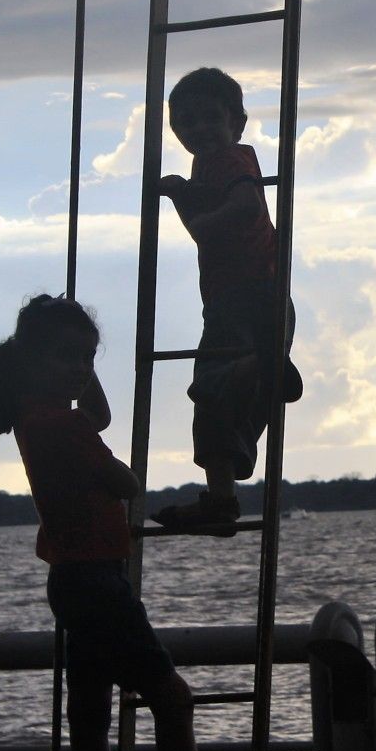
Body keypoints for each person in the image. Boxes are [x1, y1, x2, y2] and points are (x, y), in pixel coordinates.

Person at [0, 294, 238, 751]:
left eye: (86, 358)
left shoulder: (31, 413)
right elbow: (126, 480)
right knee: (171, 699)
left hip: (72, 579)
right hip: (98, 580)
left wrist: (81, 376)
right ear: (33, 359)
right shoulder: (62, 425)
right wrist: (87, 396)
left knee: (91, 719)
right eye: (66, 357)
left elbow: (98, 418)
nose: (78, 368)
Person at [154, 67, 301, 535]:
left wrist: (196, 213)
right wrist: (182, 193)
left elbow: (246, 207)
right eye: (186, 123)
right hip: (261, 299)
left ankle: (221, 499)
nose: (198, 130)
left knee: (211, 390)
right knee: (231, 401)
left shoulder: (232, 161)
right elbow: (207, 221)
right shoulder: (211, 167)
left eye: (209, 119)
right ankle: (261, 369)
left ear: (236, 122)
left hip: (242, 300)